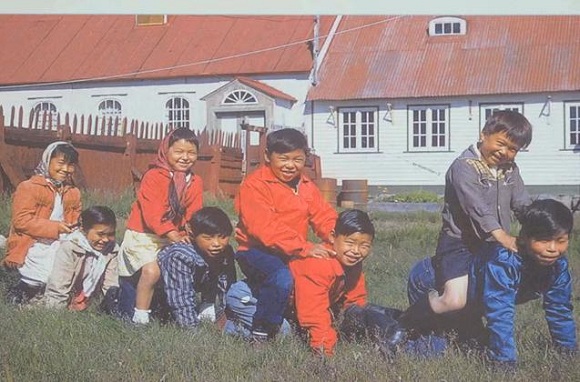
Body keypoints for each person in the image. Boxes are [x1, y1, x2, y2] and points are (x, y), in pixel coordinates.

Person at [405, 199, 577, 368]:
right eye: (544, 240)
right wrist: (505, 363)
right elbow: (500, 313)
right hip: (433, 284)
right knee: (431, 351)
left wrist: (567, 352)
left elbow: (559, 309)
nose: (553, 248)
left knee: (474, 347)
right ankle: (391, 328)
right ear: (524, 238)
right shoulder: (504, 262)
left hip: (470, 303)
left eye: (561, 241)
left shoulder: (557, 266)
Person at [401, 110, 533, 327]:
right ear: (483, 135)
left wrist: (541, 229)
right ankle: (406, 321)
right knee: (454, 300)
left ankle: (473, 325)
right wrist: (504, 237)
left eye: (513, 149)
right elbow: (476, 209)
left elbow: (522, 203)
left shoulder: (510, 170)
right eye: (500, 143)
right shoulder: (463, 167)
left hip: (491, 244)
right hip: (460, 244)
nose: (504, 152)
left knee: (503, 287)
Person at [233, 128, 337, 340]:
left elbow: (323, 215)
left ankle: (318, 320)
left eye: (298, 159)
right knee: (281, 277)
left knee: (325, 268)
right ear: (267, 157)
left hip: (291, 249)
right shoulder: (255, 186)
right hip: (256, 251)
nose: (291, 165)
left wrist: (337, 238)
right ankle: (262, 330)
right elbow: (264, 229)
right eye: (283, 158)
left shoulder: (305, 184)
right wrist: (305, 248)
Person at [289, 209, 405, 356]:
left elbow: (356, 302)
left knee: (373, 313)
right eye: (350, 243)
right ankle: (392, 338)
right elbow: (314, 316)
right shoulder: (318, 264)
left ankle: (403, 327)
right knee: (285, 332)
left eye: (364, 246)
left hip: (321, 308)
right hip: (288, 314)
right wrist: (324, 352)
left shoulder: (351, 262)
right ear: (332, 237)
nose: (356, 251)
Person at [118, 127, 203, 324]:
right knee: (152, 271)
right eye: (179, 152)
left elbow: (193, 212)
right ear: (166, 151)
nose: (185, 157)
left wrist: (192, 234)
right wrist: (173, 235)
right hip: (144, 235)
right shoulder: (154, 176)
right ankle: (140, 317)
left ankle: (182, 309)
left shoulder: (195, 181)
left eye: (191, 153)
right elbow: (153, 215)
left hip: (173, 234)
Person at [4, 141, 82, 304]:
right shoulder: (29, 187)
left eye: (70, 165)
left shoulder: (73, 192)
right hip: (33, 240)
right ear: (48, 161)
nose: (66, 169)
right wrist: (56, 228)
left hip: (62, 238)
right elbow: (21, 221)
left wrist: (75, 228)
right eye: (61, 163)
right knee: (45, 269)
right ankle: (21, 292)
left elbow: (76, 218)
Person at [158, 207, 236, 329]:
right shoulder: (180, 256)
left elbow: (227, 284)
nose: (216, 243)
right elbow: (180, 297)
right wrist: (192, 329)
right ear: (192, 235)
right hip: (160, 295)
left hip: (195, 284)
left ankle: (206, 308)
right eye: (208, 238)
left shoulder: (226, 251)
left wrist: (229, 315)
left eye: (222, 237)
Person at [43, 206, 119, 311]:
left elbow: (111, 285)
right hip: (65, 298)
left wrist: (112, 307)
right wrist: (56, 313)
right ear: (84, 230)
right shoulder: (70, 247)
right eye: (100, 234)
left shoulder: (111, 250)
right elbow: (59, 286)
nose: (105, 239)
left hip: (91, 301)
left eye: (110, 234)